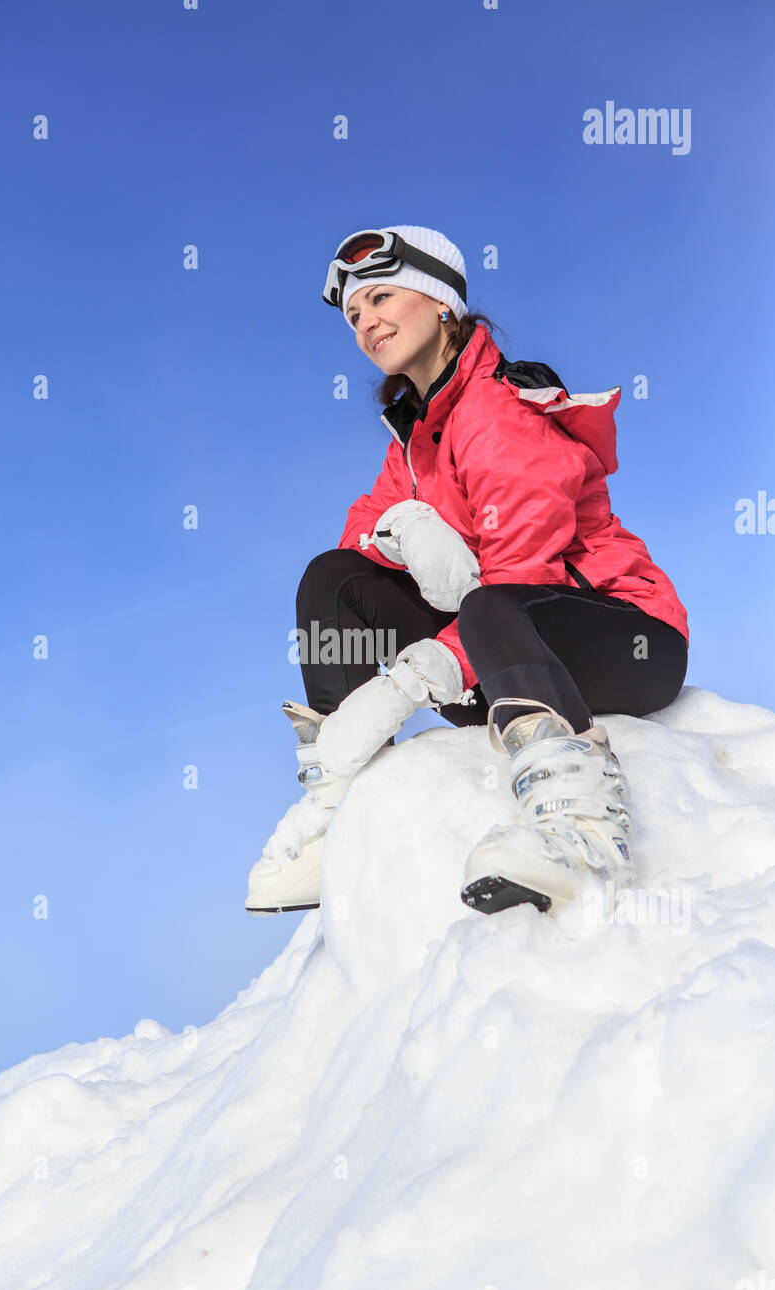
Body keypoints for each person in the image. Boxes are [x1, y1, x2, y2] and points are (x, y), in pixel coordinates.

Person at [245, 225, 689, 918]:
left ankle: (581, 830)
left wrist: (414, 678)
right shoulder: (416, 438)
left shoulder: (499, 412)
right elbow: (361, 532)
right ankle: (336, 804)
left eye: (382, 297)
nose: (366, 323)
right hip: (500, 655)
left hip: (626, 642)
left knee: (492, 608)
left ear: (442, 302)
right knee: (333, 580)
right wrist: (408, 539)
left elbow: (523, 578)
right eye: (354, 314)